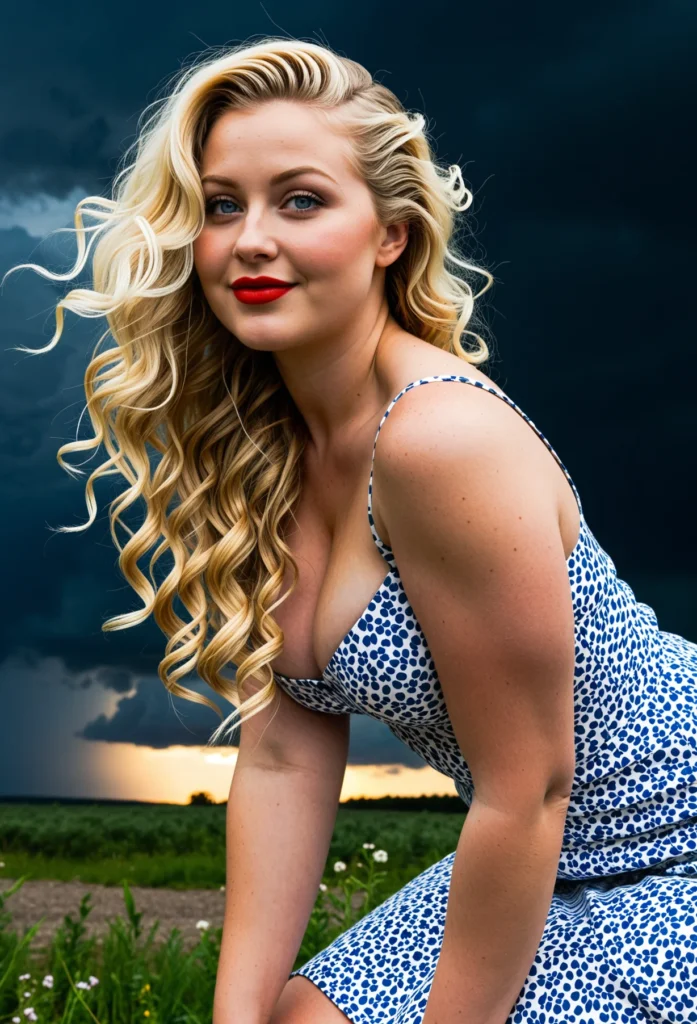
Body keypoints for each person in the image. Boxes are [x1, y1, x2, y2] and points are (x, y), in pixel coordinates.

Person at [6, 35, 696, 1024]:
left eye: (300, 200)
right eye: (221, 205)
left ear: (390, 235)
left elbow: (528, 791)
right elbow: (284, 755)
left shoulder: (440, 441)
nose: (250, 240)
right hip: (551, 847)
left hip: (666, 848)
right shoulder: (269, 455)